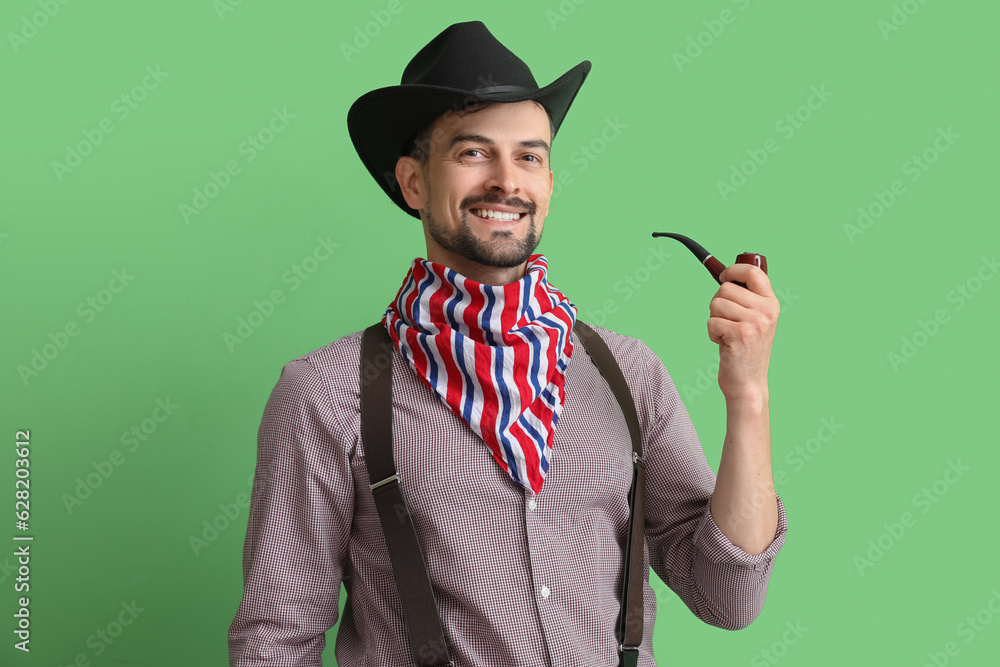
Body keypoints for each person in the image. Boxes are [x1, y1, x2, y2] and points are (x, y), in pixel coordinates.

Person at [228, 20, 787, 667]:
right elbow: (275, 642)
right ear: (413, 181)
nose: (506, 180)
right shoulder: (326, 395)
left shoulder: (627, 374)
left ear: (548, 184)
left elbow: (730, 597)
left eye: (529, 155)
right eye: (472, 152)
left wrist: (748, 391)